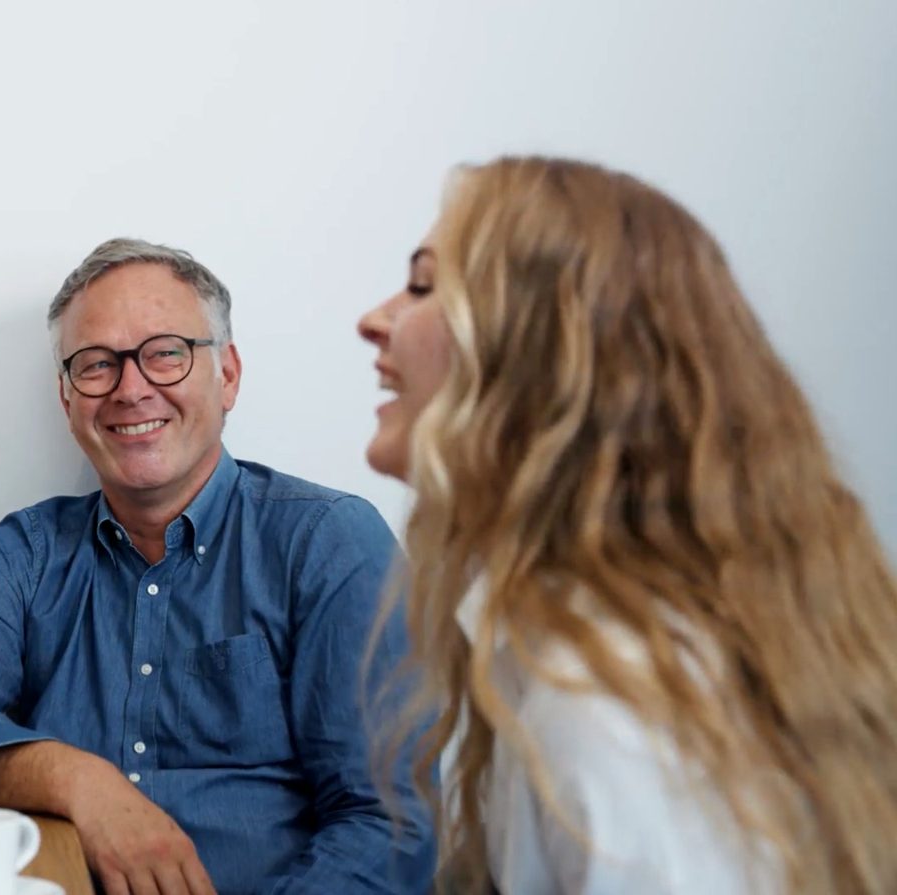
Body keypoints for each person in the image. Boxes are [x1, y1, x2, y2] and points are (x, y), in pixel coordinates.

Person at [357, 155, 897, 893]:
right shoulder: (557, 661)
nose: (374, 320)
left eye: (424, 285)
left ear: (546, 350)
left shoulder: (604, 714)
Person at [0, 238, 435, 894]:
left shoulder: (327, 542)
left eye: (165, 353)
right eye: (97, 364)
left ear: (228, 375)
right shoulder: (25, 555)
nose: (131, 390)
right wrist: (75, 779)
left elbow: (389, 827)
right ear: (67, 399)